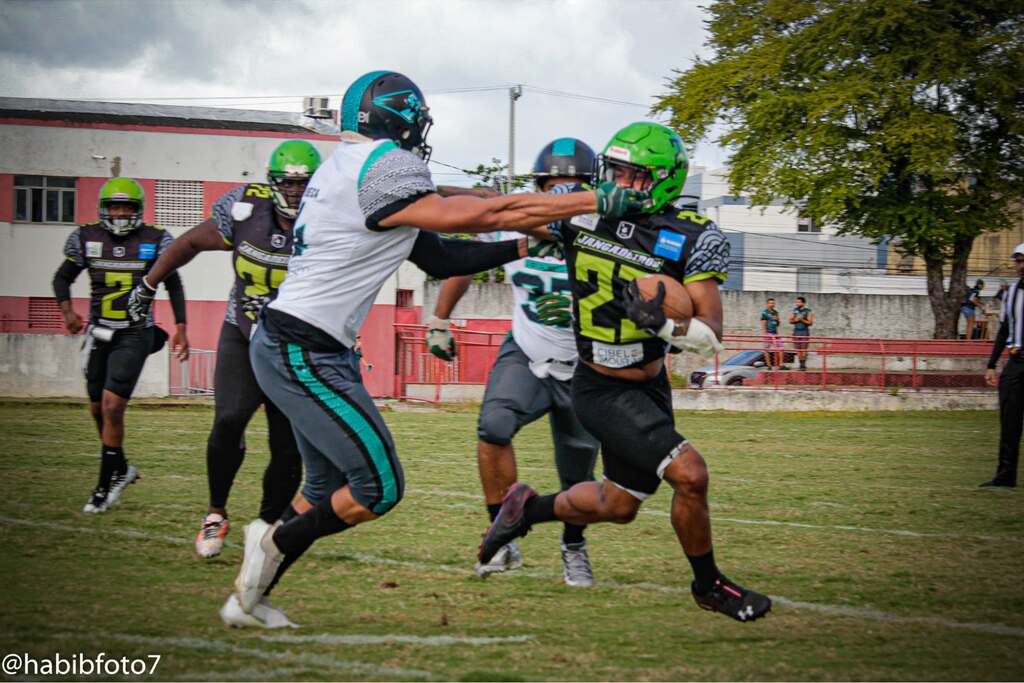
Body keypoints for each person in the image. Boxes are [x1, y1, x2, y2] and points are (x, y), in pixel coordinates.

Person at [224, 70, 647, 627]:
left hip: (304, 343)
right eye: (417, 120)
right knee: (380, 486)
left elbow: (439, 257)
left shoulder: (343, 168)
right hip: (301, 347)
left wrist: (524, 239)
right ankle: (271, 541)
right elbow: (480, 214)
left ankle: (246, 601)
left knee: (326, 485)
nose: (422, 134)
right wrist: (590, 200)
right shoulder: (385, 164)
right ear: (398, 118)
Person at [479, 122, 771, 623]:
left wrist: (665, 324)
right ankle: (710, 585)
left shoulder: (690, 237)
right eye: (612, 173)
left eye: (632, 176)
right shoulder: (587, 217)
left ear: (660, 179)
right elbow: (502, 208)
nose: (618, 185)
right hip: (598, 386)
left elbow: (711, 335)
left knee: (618, 504)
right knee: (691, 475)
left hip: (650, 383)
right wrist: (426, 202)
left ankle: (524, 510)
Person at [127, 140, 322, 560]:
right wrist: (148, 282)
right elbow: (190, 242)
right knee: (229, 419)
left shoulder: (328, 218)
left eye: (303, 185)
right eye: (287, 184)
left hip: (294, 342)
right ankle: (215, 512)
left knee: (287, 441)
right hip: (244, 329)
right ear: (272, 184)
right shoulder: (244, 209)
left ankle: (268, 525)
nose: (294, 193)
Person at [427, 138, 601, 586]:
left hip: (587, 364)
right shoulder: (512, 221)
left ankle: (574, 545)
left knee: (577, 471)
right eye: (555, 187)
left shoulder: (605, 230)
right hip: (526, 350)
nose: (563, 197)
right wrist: (439, 320)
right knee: (493, 427)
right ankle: (500, 536)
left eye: (574, 187)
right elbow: (467, 258)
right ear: (539, 187)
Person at [52, 177, 189, 514]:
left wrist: (181, 328)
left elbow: (173, 283)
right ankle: (122, 468)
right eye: (115, 207)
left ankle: (103, 488)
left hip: (135, 332)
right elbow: (62, 277)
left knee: (113, 406)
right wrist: (68, 311)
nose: (120, 213)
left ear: (138, 211)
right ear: (104, 209)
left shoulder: (154, 240)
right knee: (98, 407)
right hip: (99, 332)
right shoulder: (87, 238)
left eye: (127, 207)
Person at [982, 244, 1024, 488]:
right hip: (1016, 361)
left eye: (1023, 260)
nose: (1020, 266)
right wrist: (991, 364)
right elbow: (1005, 329)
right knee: (1009, 421)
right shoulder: (1012, 293)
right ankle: (1005, 476)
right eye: (1017, 261)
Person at [759, 297, 784, 370]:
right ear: (767, 304)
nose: (772, 304)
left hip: (775, 333)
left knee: (781, 348)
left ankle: (781, 364)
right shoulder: (765, 313)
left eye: (773, 303)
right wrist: (765, 334)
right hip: (768, 333)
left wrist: (778, 320)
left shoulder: (776, 312)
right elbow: (763, 323)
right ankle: (769, 365)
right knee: (766, 349)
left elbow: (778, 324)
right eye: (770, 303)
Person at [789, 296, 813, 370]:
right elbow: (790, 321)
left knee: (804, 349)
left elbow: (810, 322)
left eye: (799, 302)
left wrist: (802, 319)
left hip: (804, 331)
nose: (797, 303)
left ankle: (803, 365)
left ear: (803, 303)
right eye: (796, 302)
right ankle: (800, 365)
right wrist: (796, 319)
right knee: (798, 349)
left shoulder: (808, 311)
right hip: (796, 331)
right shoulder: (795, 310)